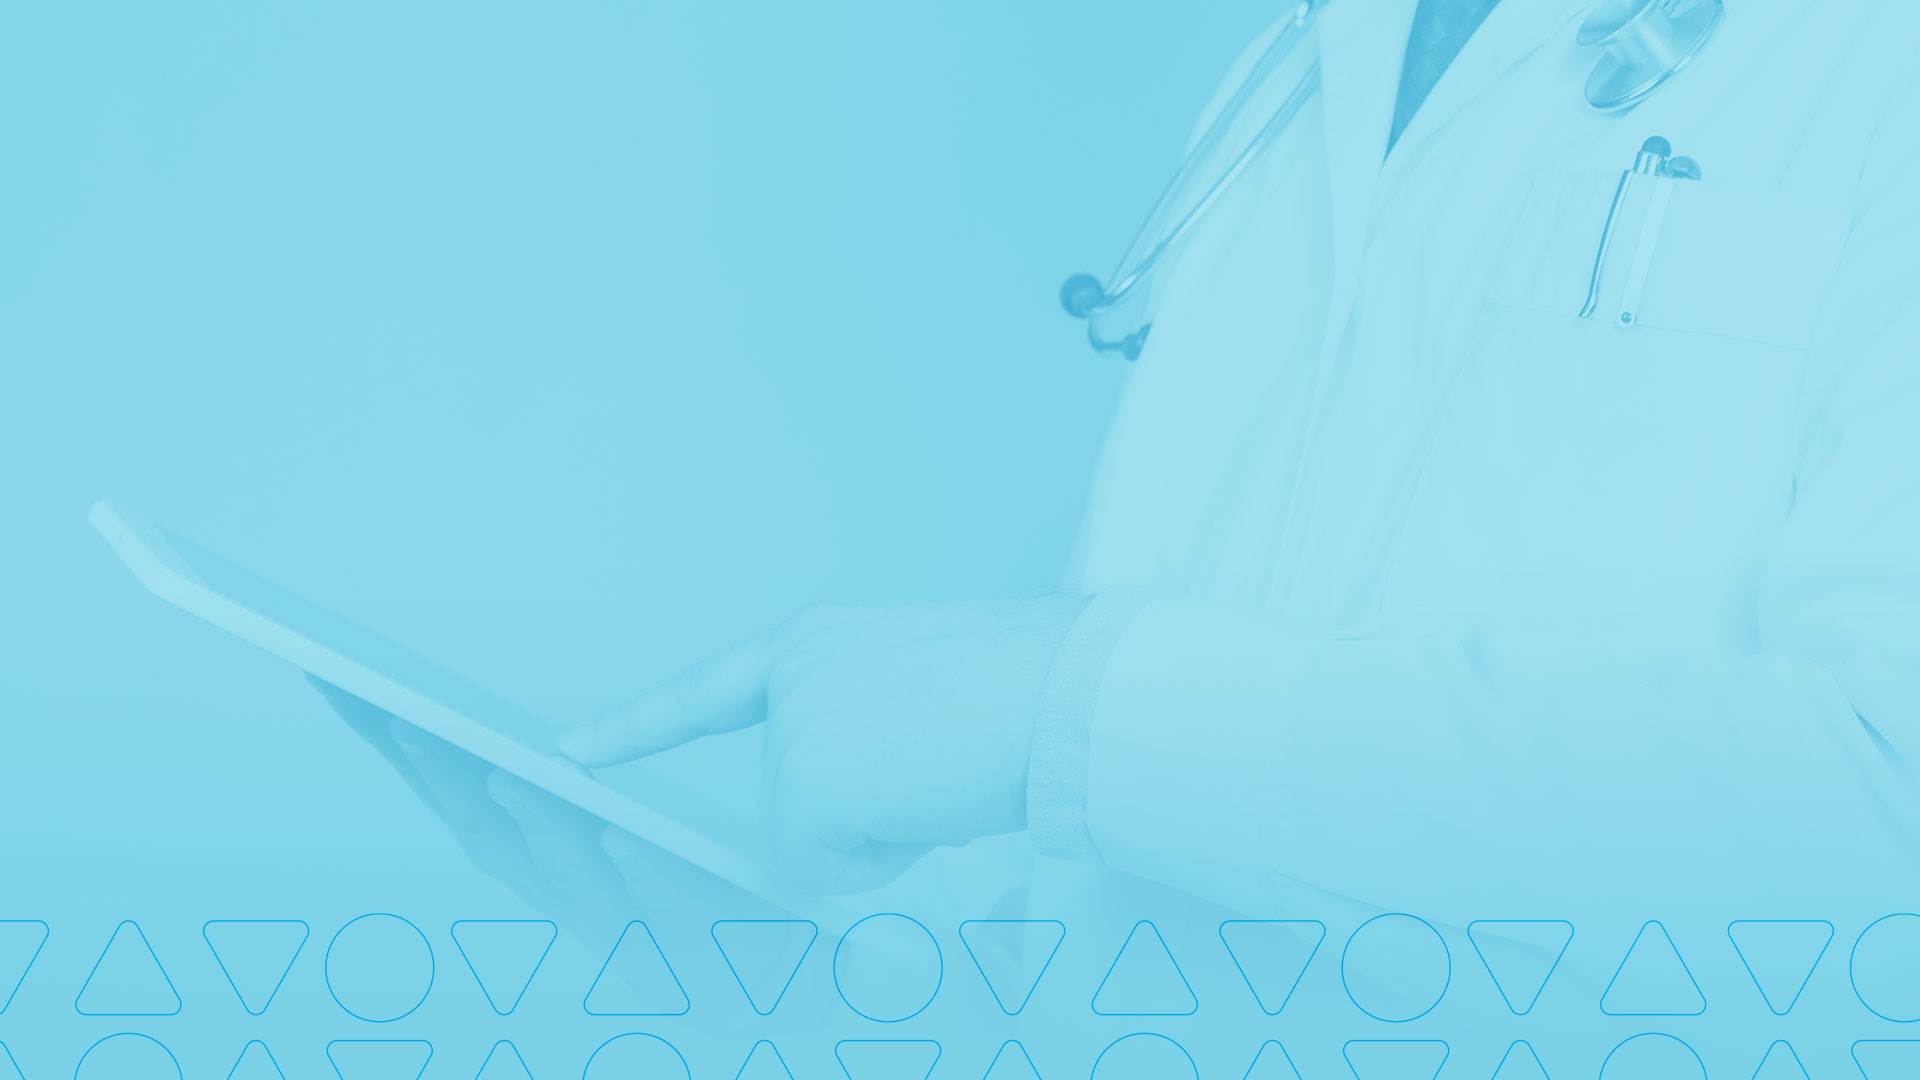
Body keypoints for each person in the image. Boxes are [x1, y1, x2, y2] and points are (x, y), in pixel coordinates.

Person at [322, 0, 1920, 932]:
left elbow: (1885, 812)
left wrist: (1067, 710)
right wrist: (853, 974)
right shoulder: (1299, 66)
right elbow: (1201, 792)